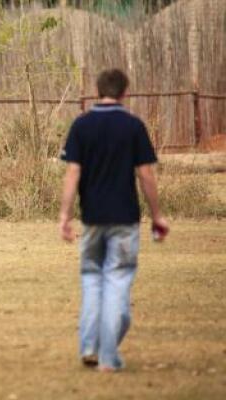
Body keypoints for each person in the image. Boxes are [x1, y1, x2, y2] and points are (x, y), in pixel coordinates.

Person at [58, 68, 169, 372]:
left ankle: (90, 346)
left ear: (97, 90)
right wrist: (157, 215)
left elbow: (73, 172)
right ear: (125, 92)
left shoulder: (82, 126)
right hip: (124, 219)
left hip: (92, 219)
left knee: (92, 281)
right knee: (118, 281)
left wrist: (65, 215)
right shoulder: (133, 127)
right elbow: (145, 173)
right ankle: (108, 356)